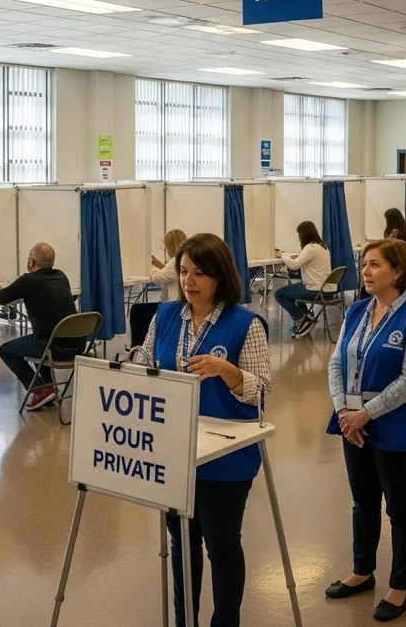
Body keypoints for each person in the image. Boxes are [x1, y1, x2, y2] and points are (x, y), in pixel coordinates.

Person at [133, 233, 271, 627]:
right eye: (183, 271)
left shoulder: (246, 323)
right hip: (174, 452)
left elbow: (261, 393)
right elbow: (145, 359)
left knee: (222, 545)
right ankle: (184, 620)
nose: (188, 281)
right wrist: (137, 368)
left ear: (220, 275)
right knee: (182, 543)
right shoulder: (164, 316)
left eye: (199, 273)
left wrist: (227, 371)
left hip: (226, 457)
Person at [324, 239, 406, 622]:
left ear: (398, 272)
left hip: (398, 426)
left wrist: (364, 414)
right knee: (363, 501)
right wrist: (343, 410)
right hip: (353, 424)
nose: (365, 272)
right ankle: (362, 571)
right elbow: (336, 363)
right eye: (364, 265)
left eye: (374, 265)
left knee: (401, 508)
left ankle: (400, 587)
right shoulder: (357, 310)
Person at [0, 242, 82, 410]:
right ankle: (49, 388)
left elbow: (1, 298)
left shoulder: (28, 280)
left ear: (32, 262)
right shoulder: (61, 276)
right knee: (38, 340)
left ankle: (39, 390)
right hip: (78, 344)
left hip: (53, 347)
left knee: (6, 350)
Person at [275, 221, 332, 338]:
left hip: (316, 289)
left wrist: (282, 255)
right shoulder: (323, 247)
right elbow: (304, 259)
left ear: (304, 234)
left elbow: (294, 265)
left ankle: (301, 319)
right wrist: (293, 255)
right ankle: (307, 315)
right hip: (326, 289)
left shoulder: (310, 248)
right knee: (295, 290)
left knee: (279, 294)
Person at [130, 229, 186, 347]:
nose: (165, 249)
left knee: (137, 311)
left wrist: (146, 265)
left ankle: (138, 347)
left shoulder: (175, 261)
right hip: (177, 304)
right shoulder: (181, 259)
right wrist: (157, 264)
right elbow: (168, 273)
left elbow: (158, 278)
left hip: (172, 306)